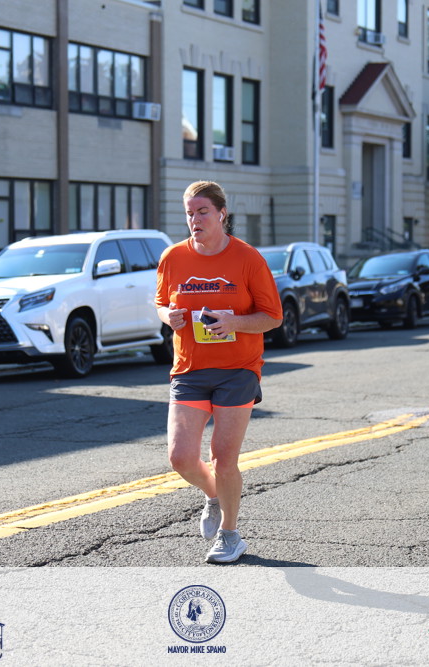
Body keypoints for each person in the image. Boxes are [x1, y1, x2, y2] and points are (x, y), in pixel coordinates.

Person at [155, 181, 283, 564]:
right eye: (189, 213)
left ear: (221, 214)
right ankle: (213, 495)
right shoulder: (173, 257)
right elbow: (161, 302)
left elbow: (273, 317)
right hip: (189, 369)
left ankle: (230, 535)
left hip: (237, 370)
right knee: (180, 457)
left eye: (202, 212)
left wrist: (234, 323)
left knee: (224, 458)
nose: (194, 219)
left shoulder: (248, 258)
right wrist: (169, 316)